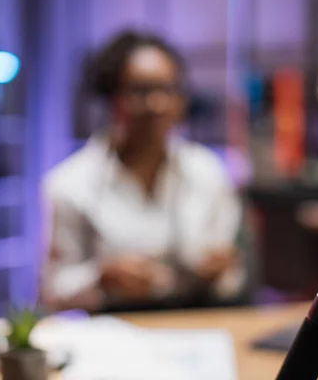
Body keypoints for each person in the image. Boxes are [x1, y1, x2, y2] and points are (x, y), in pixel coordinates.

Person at [40, 31, 246, 312]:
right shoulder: (71, 184)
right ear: (112, 98)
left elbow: (231, 278)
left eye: (168, 90)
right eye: (141, 91)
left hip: (196, 326)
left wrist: (224, 269)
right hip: (113, 332)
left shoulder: (209, 172)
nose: (156, 105)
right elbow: (53, 291)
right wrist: (103, 277)